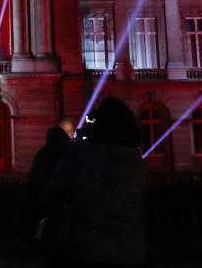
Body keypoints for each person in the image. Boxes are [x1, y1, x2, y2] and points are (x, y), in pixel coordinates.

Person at [47, 97, 146, 267]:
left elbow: (52, 193)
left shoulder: (77, 154)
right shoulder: (138, 162)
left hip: (85, 248)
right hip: (130, 251)